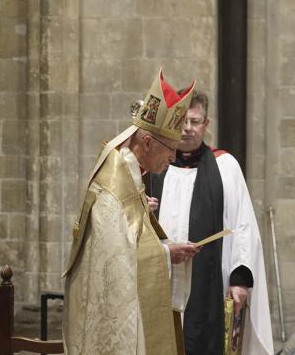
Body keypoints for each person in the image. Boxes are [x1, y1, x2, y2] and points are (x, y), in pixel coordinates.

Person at [63, 69, 200, 355]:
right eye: (171, 149)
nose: (174, 158)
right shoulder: (113, 186)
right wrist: (166, 253)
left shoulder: (131, 176)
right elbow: (114, 272)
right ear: (147, 143)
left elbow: (129, 246)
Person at [147, 91, 274, 355]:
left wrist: (239, 279)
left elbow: (243, 225)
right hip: (161, 279)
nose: (187, 129)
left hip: (210, 285)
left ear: (206, 124)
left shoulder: (225, 166)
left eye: (195, 122)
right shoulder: (154, 167)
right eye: (182, 121)